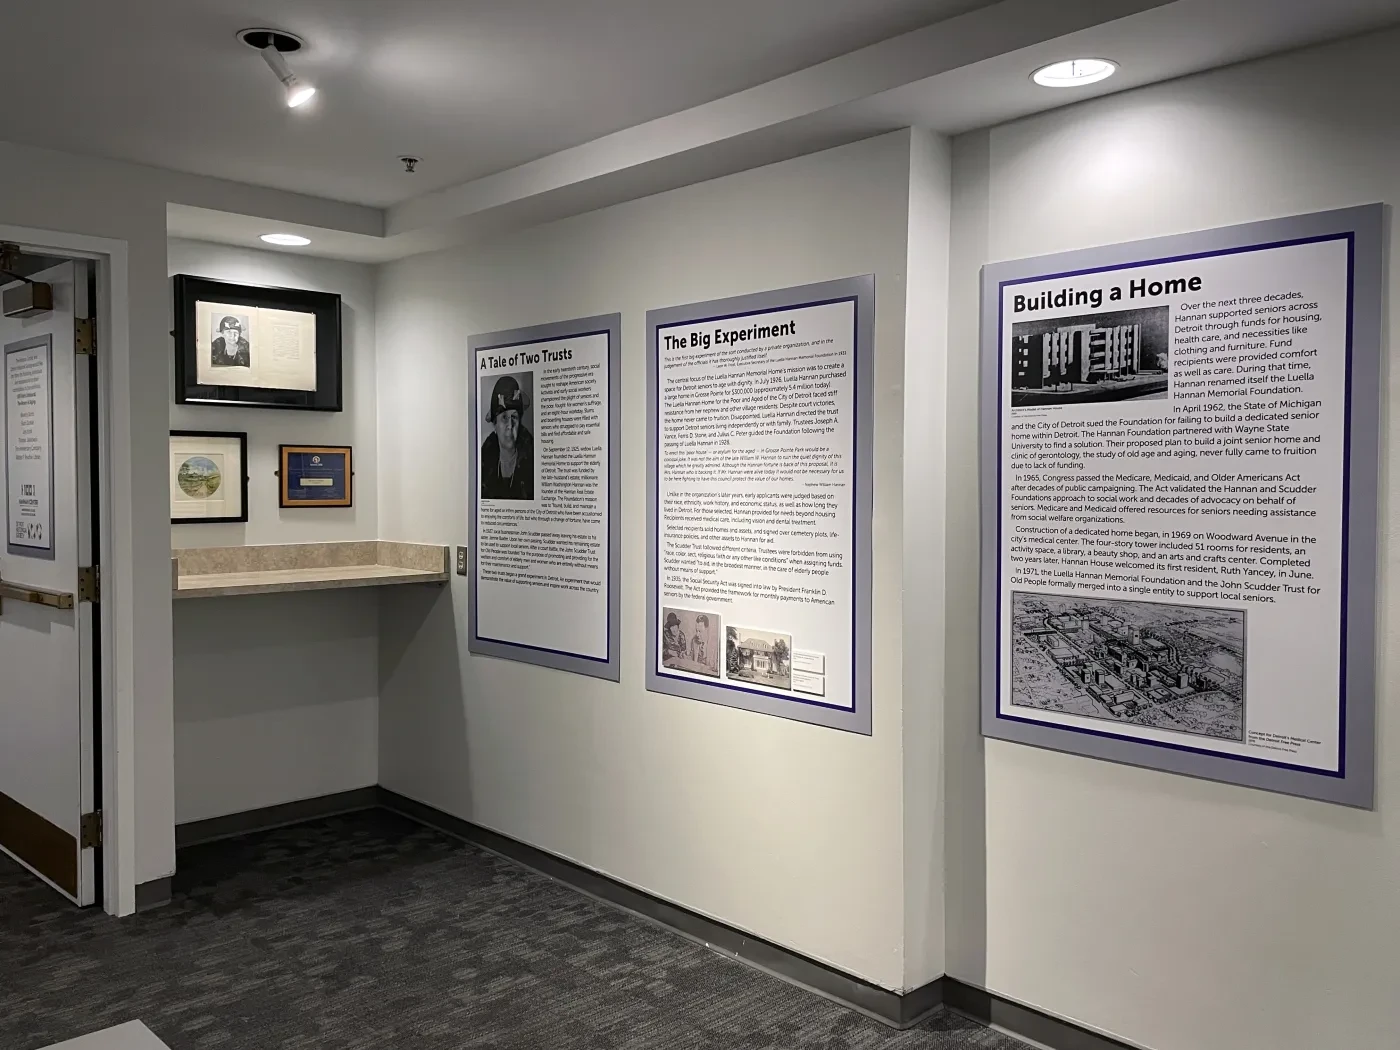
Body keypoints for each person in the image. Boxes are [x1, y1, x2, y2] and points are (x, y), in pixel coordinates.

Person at [480, 374, 533, 500]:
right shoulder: (483, 461)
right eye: (504, 418)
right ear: (495, 425)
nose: (510, 425)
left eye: (514, 417)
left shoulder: (532, 459)